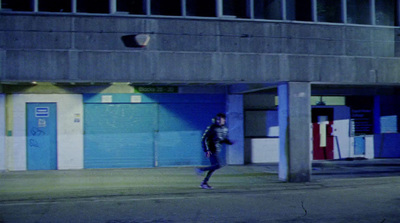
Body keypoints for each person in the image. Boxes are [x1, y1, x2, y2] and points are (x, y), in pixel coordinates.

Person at [196, 113, 233, 189]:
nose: (223, 121)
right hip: (212, 150)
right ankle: (201, 170)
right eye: (222, 119)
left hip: (217, 150)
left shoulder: (224, 128)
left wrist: (229, 142)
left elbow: (222, 139)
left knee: (214, 167)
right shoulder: (212, 128)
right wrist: (207, 150)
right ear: (218, 119)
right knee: (217, 165)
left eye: (224, 119)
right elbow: (204, 139)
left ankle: (204, 183)